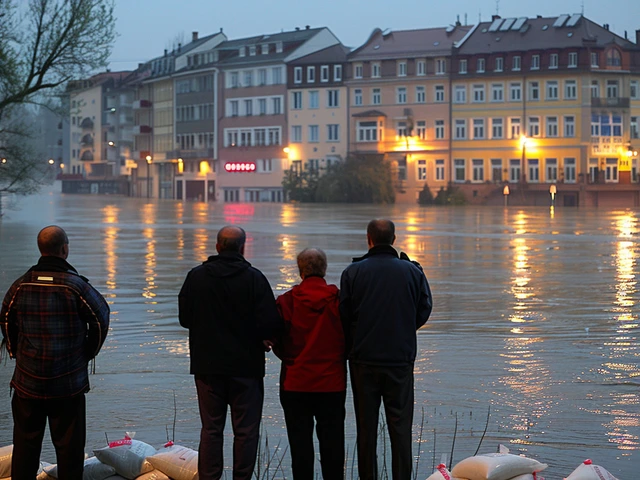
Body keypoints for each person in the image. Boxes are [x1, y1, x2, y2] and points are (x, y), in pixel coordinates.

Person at [0, 225, 110, 480]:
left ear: (41, 249)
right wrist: (87, 353)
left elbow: (5, 319)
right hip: (68, 384)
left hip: (28, 383)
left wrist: (17, 352)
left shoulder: (21, 285)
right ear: (64, 249)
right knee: (70, 452)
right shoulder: (75, 287)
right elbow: (101, 319)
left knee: (25, 448)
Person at [178, 225, 283, 480]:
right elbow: (271, 323)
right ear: (242, 247)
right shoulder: (255, 279)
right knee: (246, 431)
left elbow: (185, 318)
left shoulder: (196, 277)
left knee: (211, 429)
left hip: (208, 367)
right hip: (246, 368)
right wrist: (264, 337)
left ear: (217, 246)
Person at [340, 219, 432, 480]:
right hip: (400, 359)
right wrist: (404, 328)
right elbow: (424, 309)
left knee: (365, 430)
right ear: (394, 239)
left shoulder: (353, 272)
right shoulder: (412, 272)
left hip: (363, 361)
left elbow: (343, 314)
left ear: (369, 238)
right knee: (401, 429)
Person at [274, 248, 346, 480]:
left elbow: (277, 340)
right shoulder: (339, 300)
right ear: (324, 269)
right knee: (333, 446)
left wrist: (289, 358)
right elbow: (350, 336)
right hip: (332, 383)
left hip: (295, 382)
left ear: (300, 270)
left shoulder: (286, 301)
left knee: (300, 447)